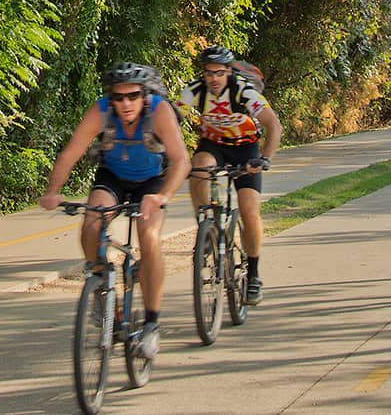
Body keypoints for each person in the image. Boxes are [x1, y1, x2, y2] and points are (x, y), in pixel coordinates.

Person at [40, 62, 190, 359]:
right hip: (114, 177)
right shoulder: (100, 111)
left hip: (152, 180)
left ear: (144, 95)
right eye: (118, 97)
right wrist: (53, 191)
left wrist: (162, 196)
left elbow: (181, 160)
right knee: (91, 222)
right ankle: (101, 287)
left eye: (133, 96)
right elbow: (71, 153)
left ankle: (151, 325)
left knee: (149, 238)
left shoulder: (159, 112)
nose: (125, 103)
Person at [179, 45, 283, 305]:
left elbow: (273, 124)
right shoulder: (194, 91)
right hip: (213, 145)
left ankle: (255, 274)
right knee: (199, 166)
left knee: (249, 211)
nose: (213, 79)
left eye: (219, 73)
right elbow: (172, 118)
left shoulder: (242, 91)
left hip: (245, 149)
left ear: (228, 72)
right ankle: (205, 225)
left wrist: (265, 158)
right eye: (208, 73)